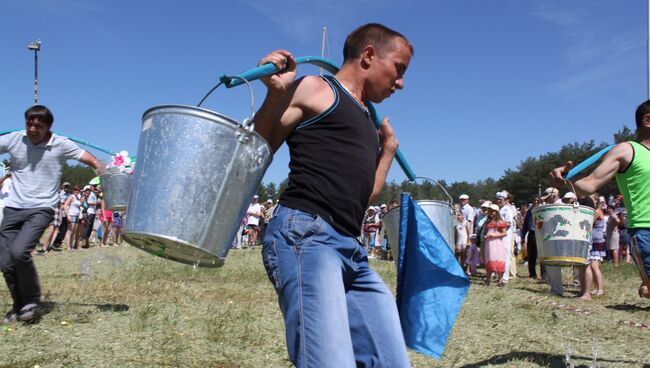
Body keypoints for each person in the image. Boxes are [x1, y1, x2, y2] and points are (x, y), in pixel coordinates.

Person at [255, 23, 413, 367]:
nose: (400, 83)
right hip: (308, 236)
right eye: (399, 69)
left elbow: (365, 192)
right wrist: (275, 94)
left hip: (352, 251)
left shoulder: (365, 119)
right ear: (369, 55)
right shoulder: (317, 88)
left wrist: (387, 150)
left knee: (391, 361)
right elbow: (259, 150)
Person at [0, 105, 103, 323]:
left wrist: (98, 166)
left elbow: (87, 157)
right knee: (5, 260)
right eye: (29, 123)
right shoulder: (14, 139)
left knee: (19, 252)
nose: (33, 128)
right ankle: (19, 305)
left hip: (41, 208)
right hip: (13, 208)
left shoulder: (60, 144)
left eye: (39, 124)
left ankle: (31, 300)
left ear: (49, 126)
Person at [551, 99, 650, 299]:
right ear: (648, 120)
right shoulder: (627, 150)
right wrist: (565, 180)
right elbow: (590, 184)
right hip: (645, 231)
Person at [483, 204, 508, 286]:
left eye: (492, 211)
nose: (490, 212)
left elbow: (504, 233)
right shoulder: (488, 221)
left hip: (496, 243)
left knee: (497, 258)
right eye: (489, 211)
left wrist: (493, 235)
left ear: (496, 212)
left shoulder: (499, 221)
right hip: (489, 243)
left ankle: (500, 280)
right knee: (489, 259)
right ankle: (488, 279)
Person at [521, 194, 541, 279]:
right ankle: (532, 273)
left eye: (537, 200)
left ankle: (544, 274)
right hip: (531, 233)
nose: (535, 201)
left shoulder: (541, 210)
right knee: (531, 254)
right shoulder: (529, 211)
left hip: (540, 233)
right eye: (534, 200)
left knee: (541, 255)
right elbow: (525, 224)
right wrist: (523, 235)